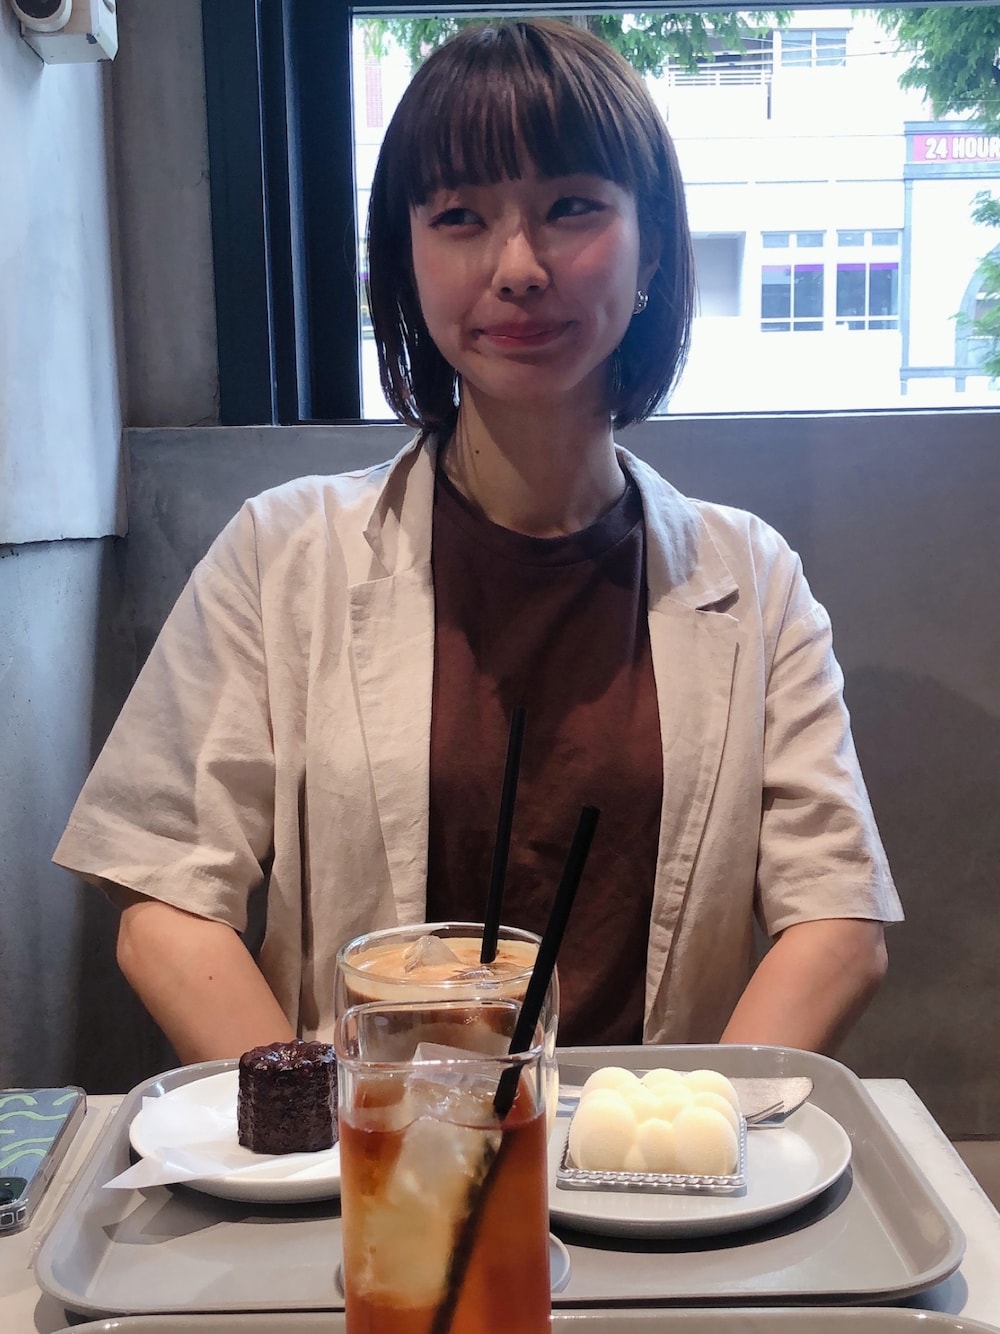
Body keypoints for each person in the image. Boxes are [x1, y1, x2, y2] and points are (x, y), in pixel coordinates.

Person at [54, 19, 901, 1066]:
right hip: (374, 1147)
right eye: (459, 216)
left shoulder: (755, 579)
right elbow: (163, 895)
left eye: (571, 208)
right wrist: (325, 1131)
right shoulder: (282, 552)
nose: (519, 267)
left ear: (651, 246)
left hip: (641, 1152)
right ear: (404, 261)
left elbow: (836, 919)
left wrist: (699, 1123)